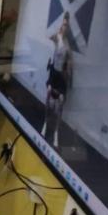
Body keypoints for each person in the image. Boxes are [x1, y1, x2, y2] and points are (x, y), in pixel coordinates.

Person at [42, 12, 73, 149]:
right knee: (48, 96)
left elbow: (70, 63)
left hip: (61, 76)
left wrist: (69, 77)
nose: (63, 27)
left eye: (66, 25)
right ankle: (45, 123)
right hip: (53, 73)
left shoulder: (67, 46)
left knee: (60, 104)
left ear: (68, 28)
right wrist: (57, 32)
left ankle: (56, 132)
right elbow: (48, 36)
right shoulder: (57, 37)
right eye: (63, 24)